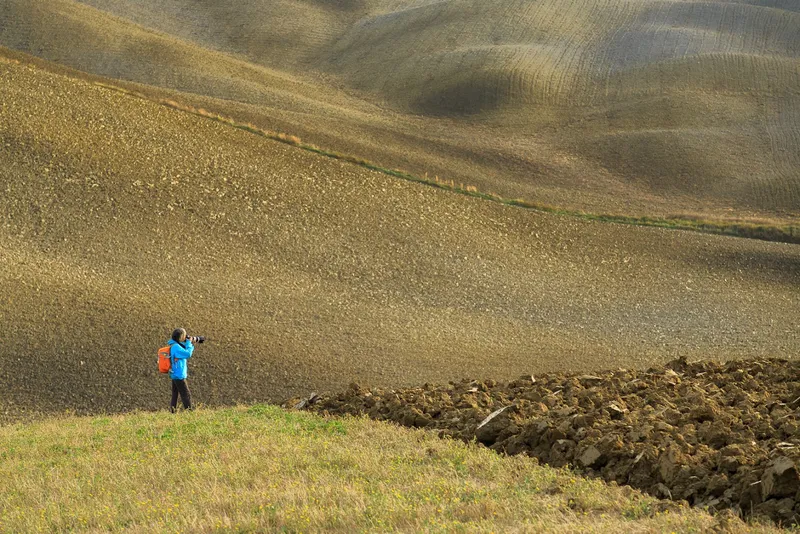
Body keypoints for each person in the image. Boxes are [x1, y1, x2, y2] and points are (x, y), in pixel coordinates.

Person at [168, 328, 195, 412]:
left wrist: (187, 343)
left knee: (175, 394)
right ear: (180, 337)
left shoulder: (172, 345)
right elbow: (188, 354)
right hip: (179, 374)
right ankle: (189, 412)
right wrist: (189, 343)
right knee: (186, 394)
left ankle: (173, 411)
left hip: (174, 373)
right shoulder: (176, 347)